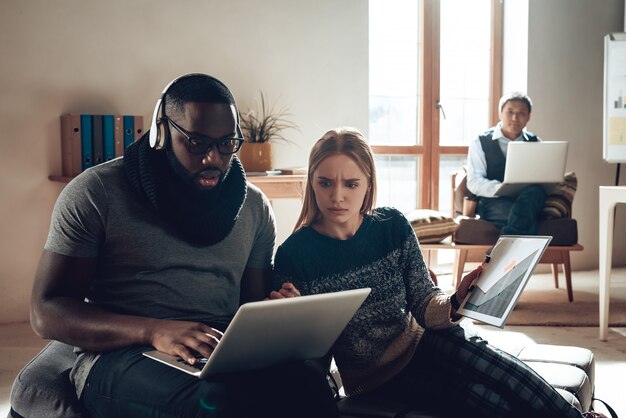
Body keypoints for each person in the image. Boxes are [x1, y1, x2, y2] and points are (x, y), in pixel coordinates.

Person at [30, 73, 339, 418]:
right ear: (162, 132)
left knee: (311, 390)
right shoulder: (96, 193)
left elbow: (250, 304)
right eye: (197, 142)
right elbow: (47, 312)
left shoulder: (254, 206)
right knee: (213, 404)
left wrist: (276, 311)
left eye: (227, 144)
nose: (213, 158)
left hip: (218, 352)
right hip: (122, 358)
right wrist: (154, 331)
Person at [270, 127, 606, 418]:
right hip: (378, 377)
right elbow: (307, 358)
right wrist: (292, 317)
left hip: (425, 339)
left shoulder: (392, 226)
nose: (337, 196)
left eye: (351, 184)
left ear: (368, 184)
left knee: (498, 371)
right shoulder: (294, 255)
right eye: (325, 182)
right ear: (311, 181)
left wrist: (458, 297)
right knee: (488, 402)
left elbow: (425, 302)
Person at [466, 91, 546, 235]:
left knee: (535, 193)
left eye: (521, 113)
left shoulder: (537, 143)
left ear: (529, 116)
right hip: (494, 201)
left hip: (528, 199)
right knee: (526, 215)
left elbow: (543, 179)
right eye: (510, 112)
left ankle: (501, 249)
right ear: (500, 113)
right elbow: (474, 181)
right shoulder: (480, 141)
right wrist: (500, 188)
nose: (515, 118)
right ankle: (515, 247)